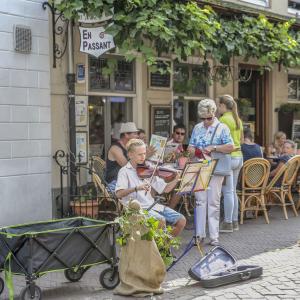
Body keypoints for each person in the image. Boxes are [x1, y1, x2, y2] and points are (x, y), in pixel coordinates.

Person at [115, 139, 186, 237]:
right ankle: (159, 248)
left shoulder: (148, 169)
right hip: (137, 209)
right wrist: (137, 188)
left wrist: (176, 179)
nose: (143, 157)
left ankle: (165, 246)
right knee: (160, 220)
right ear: (130, 155)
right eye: (139, 154)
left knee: (181, 220)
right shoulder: (124, 171)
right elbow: (118, 194)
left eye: (144, 154)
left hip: (153, 206)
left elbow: (165, 189)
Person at [188, 99, 234, 246]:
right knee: (200, 201)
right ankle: (199, 235)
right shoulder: (197, 127)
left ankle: (214, 236)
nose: (206, 121)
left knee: (213, 201)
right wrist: (192, 150)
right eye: (203, 118)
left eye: (209, 118)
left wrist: (213, 147)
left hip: (215, 167)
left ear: (214, 114)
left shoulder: (222, 127)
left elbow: (231, 146)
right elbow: (191, 146)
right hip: (200, 166)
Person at [218, 95, 244, 233]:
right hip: (239, 156)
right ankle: (234, 221)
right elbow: (241, 139)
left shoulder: (223, 119)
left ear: (223, 105)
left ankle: (227, 223)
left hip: (228, 157)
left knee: (227, 191)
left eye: (218, 105)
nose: (217, 108)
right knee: (232, 191)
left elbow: (220, 141)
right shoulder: (237, 119)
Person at [105, 122, 139, 192]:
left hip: (127, 180)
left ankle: (150, 201)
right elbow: (126, 166)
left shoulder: (130, 147)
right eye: (135, 134)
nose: (137, 136)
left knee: (151, 181)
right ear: (126, 135)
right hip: (115, 182)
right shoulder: (115, 148)